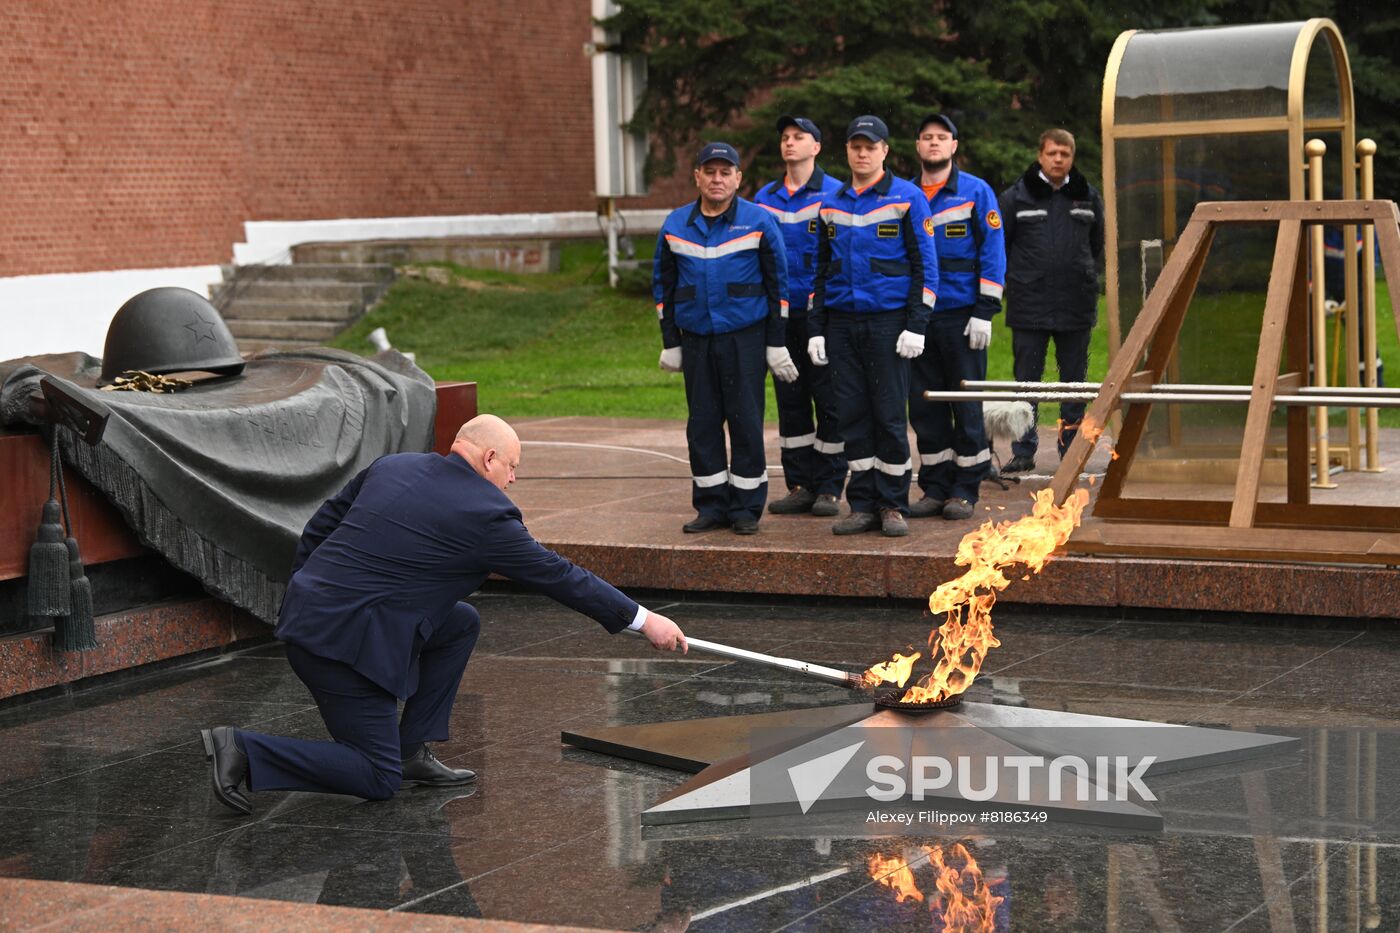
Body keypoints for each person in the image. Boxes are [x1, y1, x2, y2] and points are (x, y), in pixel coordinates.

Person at [199, 415, 688, 815]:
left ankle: (411, 749)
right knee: (376, 777)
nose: (513, 479)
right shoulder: (487, 516)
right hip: (339, 649)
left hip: (315, 617)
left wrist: (309, 594)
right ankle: (244, 750)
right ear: (489, 458)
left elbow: (319, 525)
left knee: (460, 622)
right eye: (512, 467)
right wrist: (645, 620)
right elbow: (561, 576)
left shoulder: (394, 466)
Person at [653, 141, 798, 535]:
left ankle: (746, 508)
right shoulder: (675, 224)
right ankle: (711, 505)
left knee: (745, 421)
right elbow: (664, 288)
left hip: (744, 339)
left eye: (725, 172)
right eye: (710, 172)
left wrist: (776, 341)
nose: (717, 179)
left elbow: (779, 287)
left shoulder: (758, 221)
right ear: (697, 177)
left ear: (738, 178)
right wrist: (671, 341)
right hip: (697, 339)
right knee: (702, 424)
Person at [810, 115, 939, 537]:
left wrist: (917, 324)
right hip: (842, 324)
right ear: (847, 151)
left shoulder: (908, 197)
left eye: (870, 146)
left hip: (889, 324)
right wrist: (816, 328)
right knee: (852, 416)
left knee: (888, 416)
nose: (862, 153)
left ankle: (893, 505)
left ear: (885, 151)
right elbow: (820, 271)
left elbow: (926, 267)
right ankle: (863, 504)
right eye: (856, 146)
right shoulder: (831, 203)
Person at [906, 113, 1006, 521]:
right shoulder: (904, 195)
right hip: (918, 321)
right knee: (925, 406)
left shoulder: (975, 192)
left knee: (965, 405)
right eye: (926, 137)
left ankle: (965, 489)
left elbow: (993, 251)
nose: (933, 143)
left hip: (962, 317)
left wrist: (985, 312)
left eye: (941, 137)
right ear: (917, 146)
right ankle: (935, 487)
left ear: (954, 146)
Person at [754, 115, 847, 518]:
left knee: (829, 400)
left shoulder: (836, 194)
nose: (790, 143)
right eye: (785, 137)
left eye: (799, 137)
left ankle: (829, 486)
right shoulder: (765, 197)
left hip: (820, 317)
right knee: (790, 401)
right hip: (779, 316)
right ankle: (799, 484)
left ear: (817, 147)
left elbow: (840, 257)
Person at [998, 128, 1104, 471]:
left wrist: (1083, 274)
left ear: (1072, 158)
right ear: (1040, 156)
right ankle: (1023, 450)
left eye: (1065, 154)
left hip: (1076, 303)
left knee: (1074, 383)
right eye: (1052, 153)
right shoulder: (1016, 198)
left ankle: (1070, 450)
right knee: (1026, 382)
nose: (1058, 159)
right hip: (1029, 302)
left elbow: (1097, 244)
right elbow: (1001, 245)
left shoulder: (1088, 196)